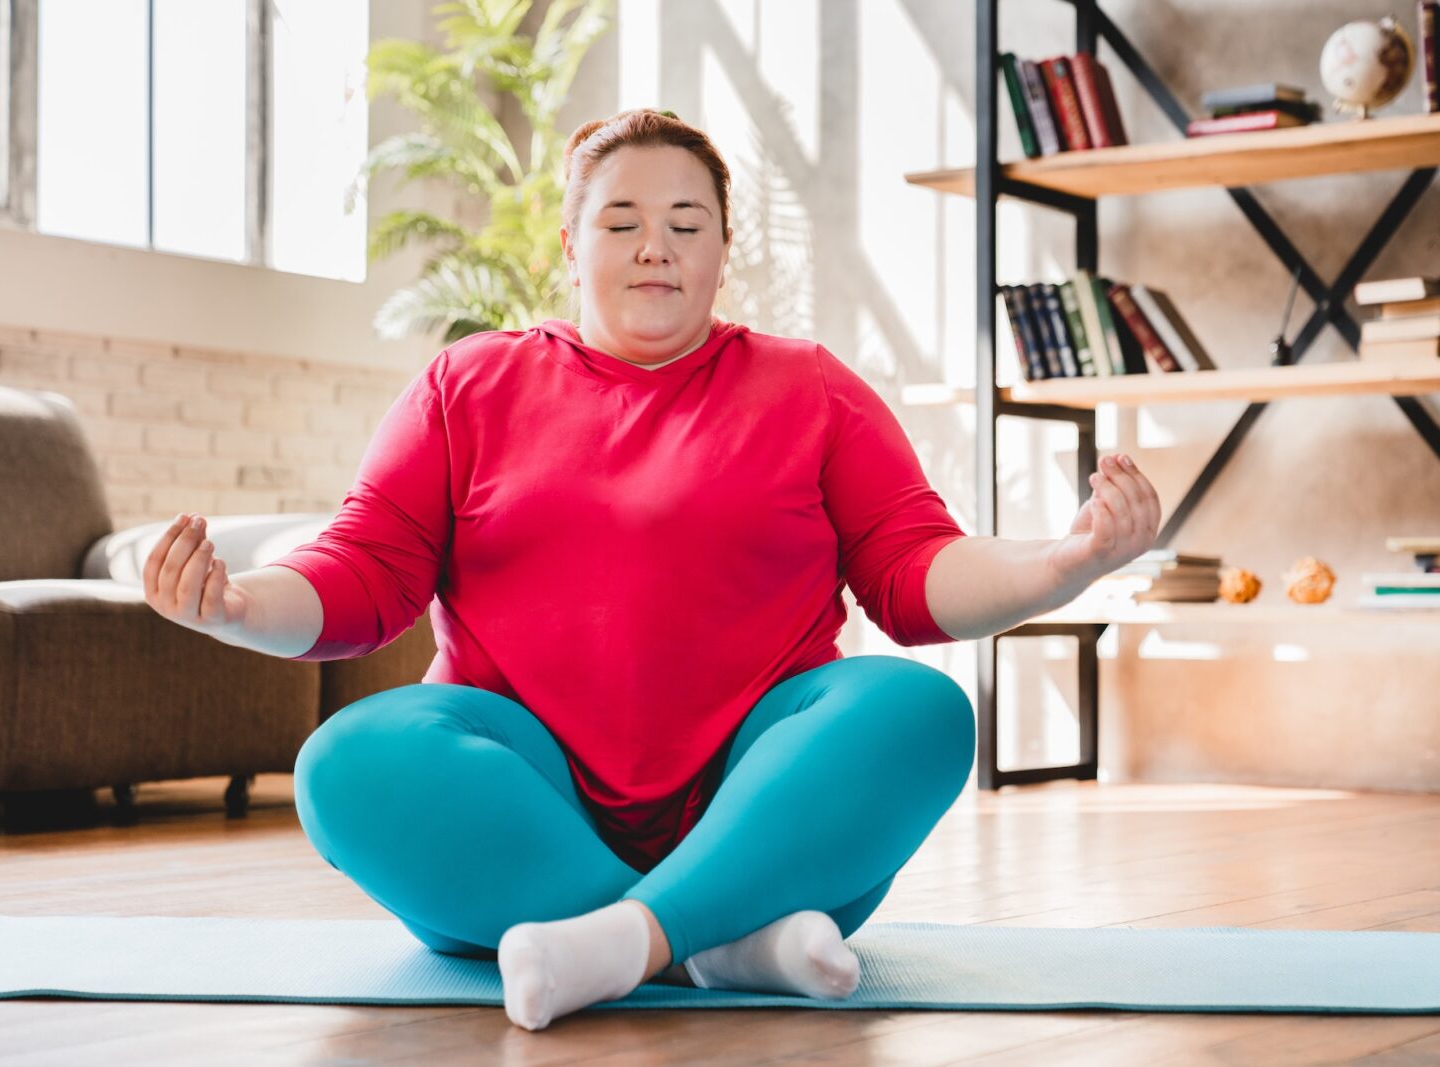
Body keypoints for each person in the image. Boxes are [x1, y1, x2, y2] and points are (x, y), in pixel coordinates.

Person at [143, 108, 1161, 1032]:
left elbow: (914, 569)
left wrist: (1064, 562)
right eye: (622, 219)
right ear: (570, 244)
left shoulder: (810, 388)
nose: (654, 247)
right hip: (530, 806)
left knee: (918, 711)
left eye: (686, 222)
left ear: (722, 249)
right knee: (343, 764)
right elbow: (362, 568)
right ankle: (721, 945)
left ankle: (619, 940)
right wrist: (236, 605)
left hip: (763, 814)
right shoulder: (467, 383)